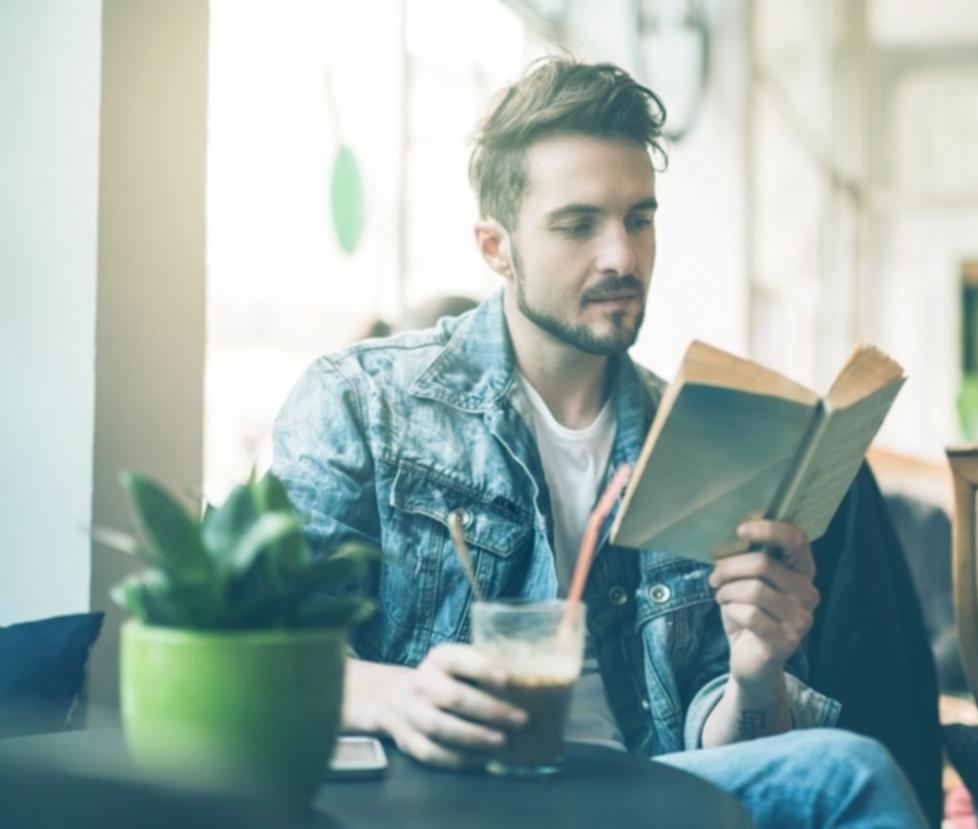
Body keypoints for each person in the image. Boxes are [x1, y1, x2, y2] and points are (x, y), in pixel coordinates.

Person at [272, 57, 928, 828]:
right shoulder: (363, 400)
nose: (621, 255)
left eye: (638, 218)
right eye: (577, 224)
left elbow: (719, 737)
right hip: (453, 793)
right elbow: (257, 655)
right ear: (496, 246)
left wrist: (756, 678)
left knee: (845, 770)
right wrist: (396, 691)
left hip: (645, 789)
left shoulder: (697, 431)